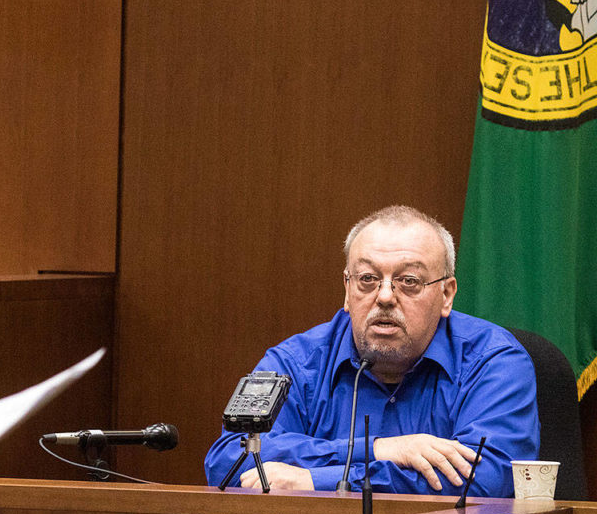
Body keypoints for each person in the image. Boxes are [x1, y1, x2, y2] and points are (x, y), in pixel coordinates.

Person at [204, 205, 539, 496]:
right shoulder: (295, 362)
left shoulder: (494, 360)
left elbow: (485, 479)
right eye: (367, 279)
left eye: (409, 281)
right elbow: (228, 461)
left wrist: (318, 480)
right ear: (347, 291)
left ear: (447, 295)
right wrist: (379, 449)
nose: (385, 296)